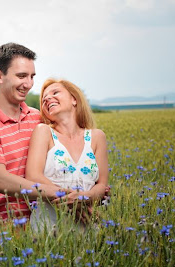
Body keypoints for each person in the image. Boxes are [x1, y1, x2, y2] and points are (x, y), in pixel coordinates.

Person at [0, 43, 61, 224]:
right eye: (21, 76)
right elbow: (0, 181)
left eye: (32, 76)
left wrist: (91, 188)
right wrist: (65, 195)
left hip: (46, 226)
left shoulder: (38, 118)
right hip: (5, 234)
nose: (29, 84)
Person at [25, 78, 109, 233]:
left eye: (55, 92)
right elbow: (33, 176)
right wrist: (72, 201)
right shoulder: (44, 132)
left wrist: (85, 198)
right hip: (49, 227)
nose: (48, 98)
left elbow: (102, 185)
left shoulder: (97, 137)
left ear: (74, 100)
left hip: (88, 226)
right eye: (44, 99)